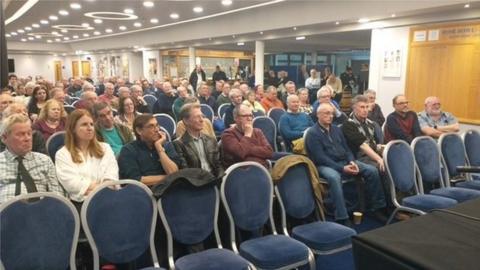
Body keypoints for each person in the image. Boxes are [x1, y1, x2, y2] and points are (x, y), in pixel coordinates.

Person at [305, 103, 386, 226]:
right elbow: (320, 158)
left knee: (372, 171)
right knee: (334, 177)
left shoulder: (337, 129)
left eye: (332, 113)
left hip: (344, 161)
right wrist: (342, 168)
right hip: (324, 165)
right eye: (326, 113)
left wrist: (352, 161)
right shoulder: (312, 133)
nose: (330, 116)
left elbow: (347, 148)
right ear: (318, 115)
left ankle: (377, 207)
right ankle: (342, 216)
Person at [55, 109, 119, 203]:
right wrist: (100, 188)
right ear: (73, 129)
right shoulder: (63, 154)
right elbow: (72, 184)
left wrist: (93, 189)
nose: (90, 128)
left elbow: (111, 175)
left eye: (91, 124)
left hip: (109, 198)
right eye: (84, 124)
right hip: (81, 203)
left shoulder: (105, 148)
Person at [0, 113, 64, 204]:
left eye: (29, 133)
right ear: (4, 138)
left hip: (43, 213)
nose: (27, 138)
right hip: (5, 215)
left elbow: (58, 196)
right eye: (20, 134)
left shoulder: (44, 161)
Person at [118, 114, 179, 186]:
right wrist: (168, 177)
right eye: (151, 126)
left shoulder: (166, 145)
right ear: (139, 131)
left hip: (170, 189)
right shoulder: (128, 150)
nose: (157, 129)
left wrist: (159, 148)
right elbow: (136, 180)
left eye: (157, 125)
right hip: (143, 193)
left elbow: (174, 172)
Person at [172, 103, 224, 178]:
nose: (202, 120)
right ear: (186, 121)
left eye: (202, 116)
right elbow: (185, 171)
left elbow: (218, 165)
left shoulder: (210, 140)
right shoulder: (178, 144)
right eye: (197, 117)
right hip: (195, 183)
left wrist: (220, 180)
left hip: (214, 179)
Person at [221, 104, 273, 168]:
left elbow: (269, 152)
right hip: (242, 172)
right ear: (236, 118)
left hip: (263, 170)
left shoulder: (257, 131)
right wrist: (247, 134)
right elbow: (240, 152)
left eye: (251, 115)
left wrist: (249, 149)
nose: (249, 118)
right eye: (245, 116)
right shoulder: (228, 134)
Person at [342, 95, 385, 171]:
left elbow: (376, 144)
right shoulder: (348, 124)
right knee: (382, 167)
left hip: (372, 155)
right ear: (354, 108)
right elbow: (363, 146)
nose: (365, 110)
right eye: (362, 107)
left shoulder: (371, 123)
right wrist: (379, 159)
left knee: (394, 163)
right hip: (359, 158)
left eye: (367, 107)